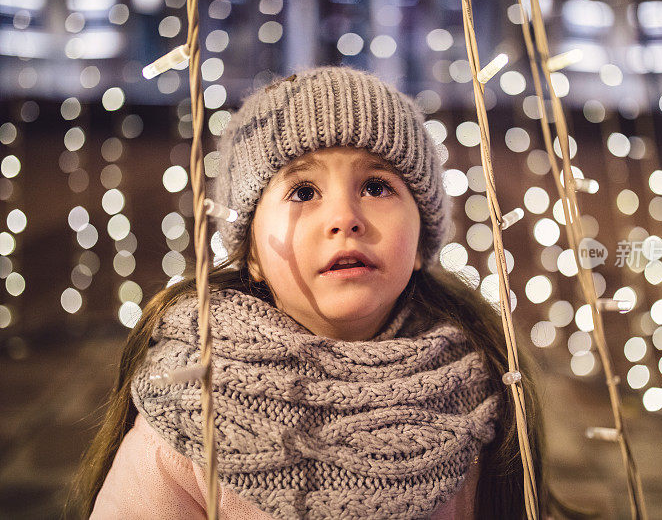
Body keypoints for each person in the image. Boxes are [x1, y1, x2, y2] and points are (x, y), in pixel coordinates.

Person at [69, 65, 568, 519]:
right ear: (254, 255)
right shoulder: (193, 405)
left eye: (376, 187)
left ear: (421, 241)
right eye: (303, 192)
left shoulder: (479, 393)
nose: (344, 218)